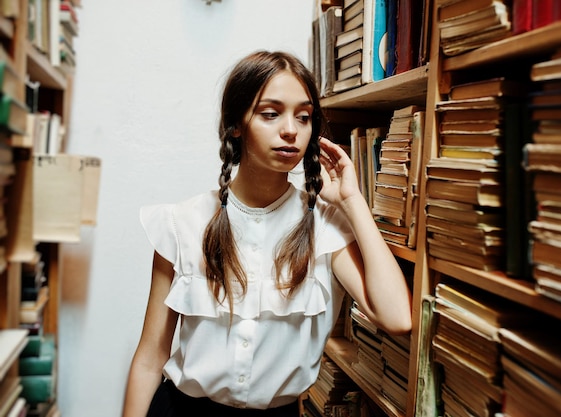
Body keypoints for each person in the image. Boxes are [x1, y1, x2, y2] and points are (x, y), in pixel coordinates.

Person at [122, 50, 412, 417]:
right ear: (236, 124)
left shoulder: (325, 225)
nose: (291, 129)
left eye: (304, 117)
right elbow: (150, 359)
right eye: (271, 113)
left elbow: (398, 318)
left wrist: (352, 201)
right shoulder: (182, 223)